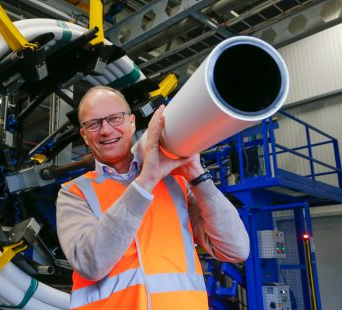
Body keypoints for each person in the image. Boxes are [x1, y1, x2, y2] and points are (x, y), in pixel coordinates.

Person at [56, 86, 249, 310]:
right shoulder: (75, 193)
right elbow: (90, 263)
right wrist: (147, 178)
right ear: (85, 136)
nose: (106, 130)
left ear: (132, 122)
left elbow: (236, 249)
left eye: (115, 119)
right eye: (94, 123)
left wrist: (197, 174)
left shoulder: (175, 182)